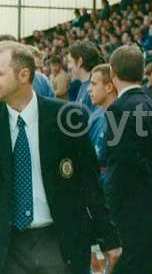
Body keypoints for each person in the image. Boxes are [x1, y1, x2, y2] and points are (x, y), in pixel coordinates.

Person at [0, 41, 121, 274]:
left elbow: (89, 181)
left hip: (58, 240)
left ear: (24, 75)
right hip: (8, 245)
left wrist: (108, 236)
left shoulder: (66, 117)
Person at [105, 45, 152, 274]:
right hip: (149, 204)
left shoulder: (118, 108)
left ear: (112, 72)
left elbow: (124, 158)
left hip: (128, 203)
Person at [87, 63, 117, 189]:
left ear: (109, 87)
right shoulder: (96, 114)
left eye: (94, 84)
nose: (89, 89)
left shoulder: (119, 116)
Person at [68, 41, 102, 113]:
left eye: (69, 61)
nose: (68, 66)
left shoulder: (93, 89)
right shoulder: (84, 85)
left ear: (80, 62)